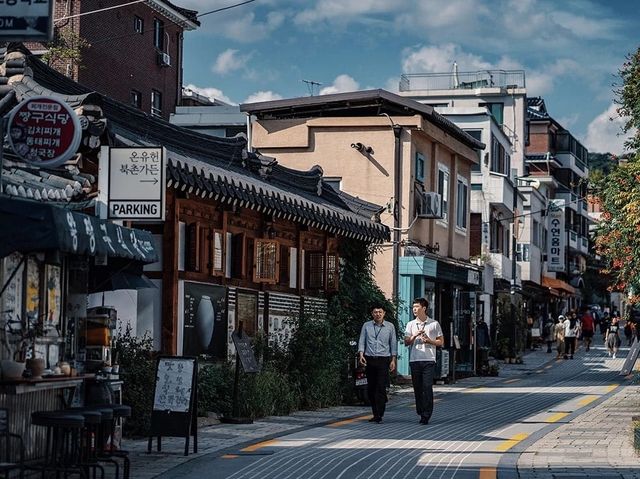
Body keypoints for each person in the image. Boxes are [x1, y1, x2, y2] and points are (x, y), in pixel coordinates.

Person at [404, 297, 443, 425]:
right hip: (415, 360)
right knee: (417, 388)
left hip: (429, 360)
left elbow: (441, 342)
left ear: (424, 308)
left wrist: (429, 341)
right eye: (413, 307)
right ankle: (420, 410)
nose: (414, 309)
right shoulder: (410, 324)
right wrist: (415, 335)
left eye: (417, 307)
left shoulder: (434, 324)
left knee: (427, 387)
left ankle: (426, 414)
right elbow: (406, 342)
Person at [358, 305, 397, 423]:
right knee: (371, 387)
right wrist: (361, 354)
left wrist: (393, 359)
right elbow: (362, 340)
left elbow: (393, 343)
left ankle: (379, 414)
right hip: (370, 359)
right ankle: (375, 413)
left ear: (384, 313)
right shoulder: (366, 325)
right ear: (372, 313)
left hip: (383, 359)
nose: (378, 314)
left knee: (380, 386)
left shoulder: (390, 326)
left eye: (380, 312)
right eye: (375, 312)